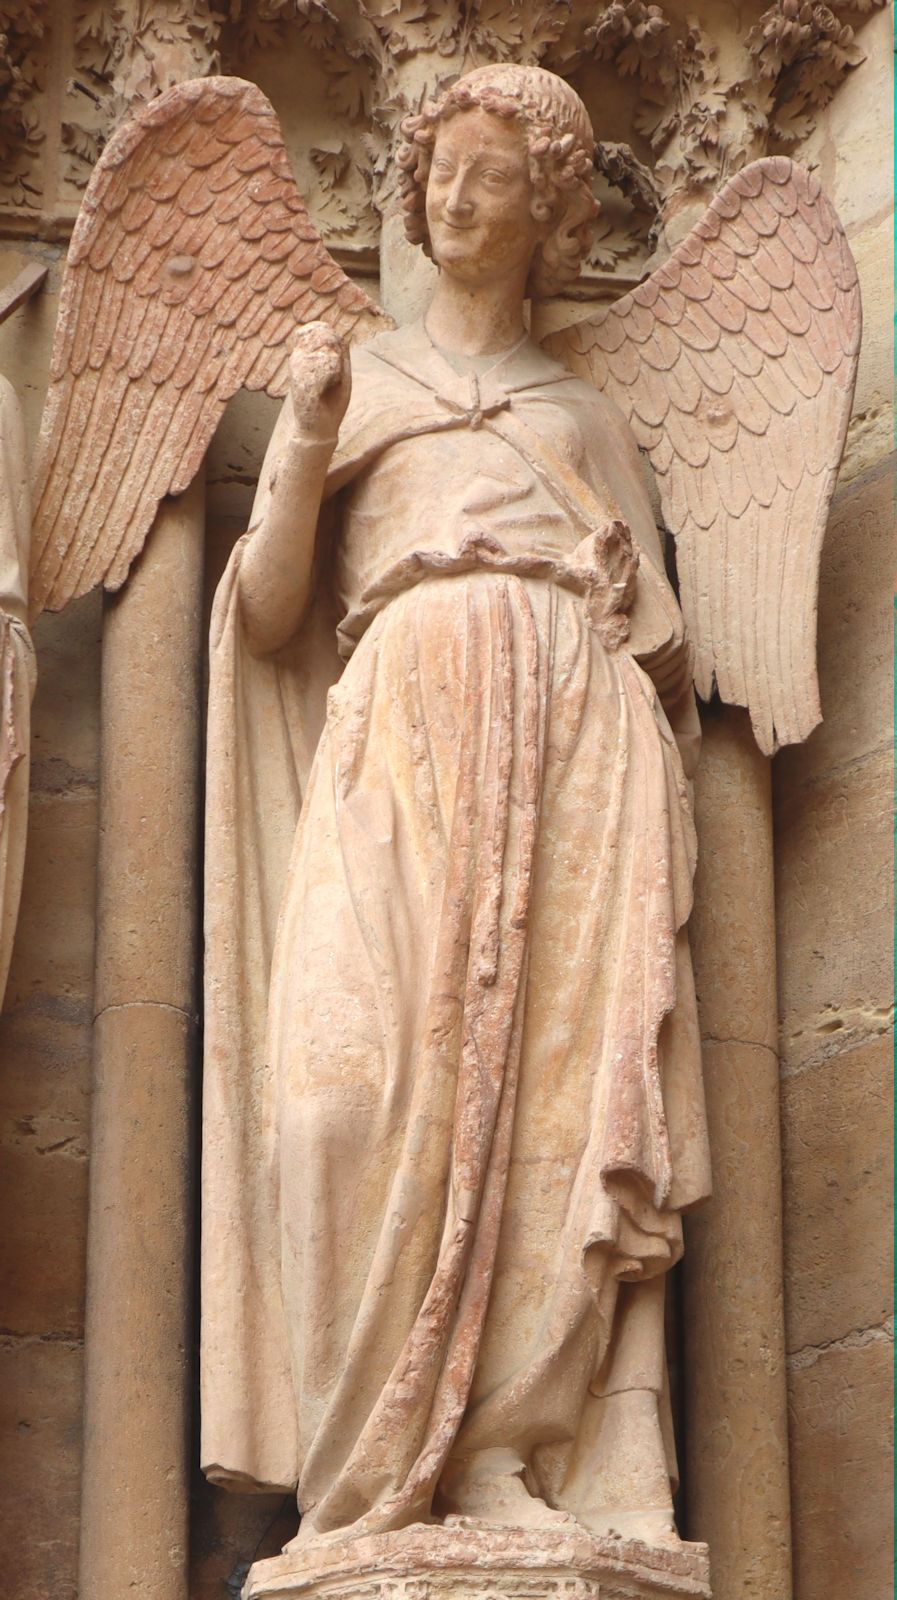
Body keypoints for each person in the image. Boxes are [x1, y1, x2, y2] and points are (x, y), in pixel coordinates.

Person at [201, 63, 710, 1552]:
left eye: (491, 173)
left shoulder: (584, 415)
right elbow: (268, 613)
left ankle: (497, 1452)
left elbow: (674, 651)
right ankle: (359, 1479)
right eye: (436, 169)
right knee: (335, 1096)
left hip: (570, 752)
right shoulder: (358, 380)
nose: (453, 194)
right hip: (397, 735)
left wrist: (631, 599)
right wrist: (295, 450)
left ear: (552, 209)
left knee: (555, 1107)